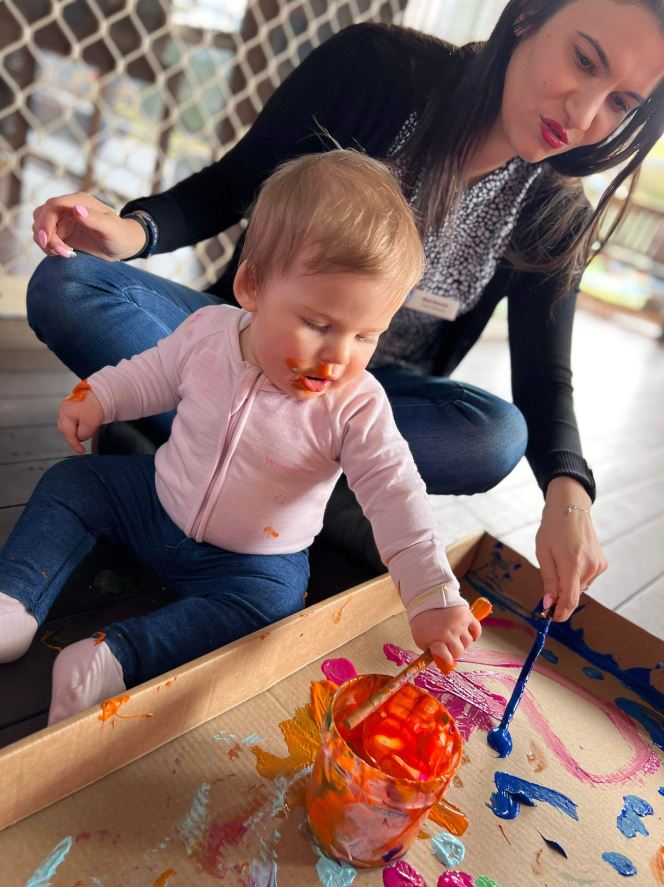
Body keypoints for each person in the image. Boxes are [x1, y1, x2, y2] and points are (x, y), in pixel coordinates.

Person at [27, 0, 664, 622]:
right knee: (68, 286)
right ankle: (294, 484)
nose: (583, 115)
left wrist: (569, 497)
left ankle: (215, 454)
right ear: (528, 16)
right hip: (246, 349)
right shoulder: (377, 69)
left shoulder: (555, 213)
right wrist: (131, 233)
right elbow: (229, 186)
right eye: (583, 60)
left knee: (495, 436)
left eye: (620, 104)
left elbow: (544, 382)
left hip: (363, 407)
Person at [0, 150, 482, 724]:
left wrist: (431, 597)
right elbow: (154, 372)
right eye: (318, 325)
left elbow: (398, 498)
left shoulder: (357, 406)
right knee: (71, 482)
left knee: (273, 609)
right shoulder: (208, 331)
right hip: (156, 500)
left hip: (252, 561)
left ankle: (110, 662)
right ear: (252, 285)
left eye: (365, 336)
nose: (337, 356)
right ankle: (15, 602)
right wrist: (102, 396)